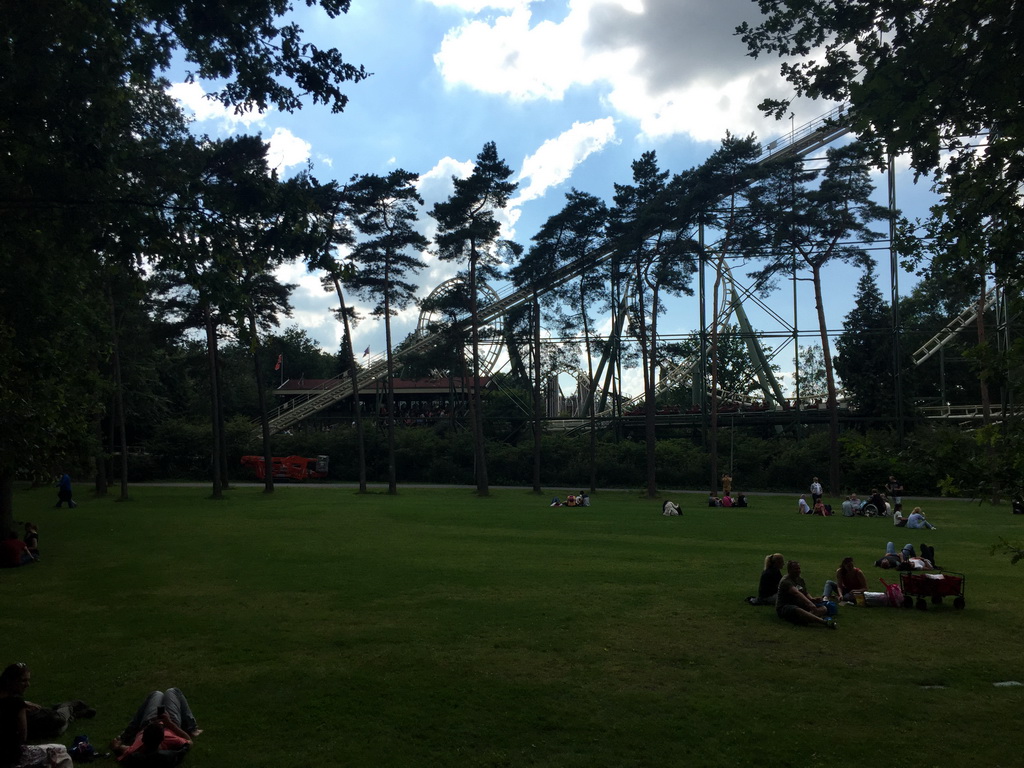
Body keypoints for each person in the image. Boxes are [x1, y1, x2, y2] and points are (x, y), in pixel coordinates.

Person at [0, 663, 80, 768]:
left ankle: (72, 711)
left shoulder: (15, 701)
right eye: (23, 681)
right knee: (60, 748)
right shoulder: (16, 704)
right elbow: (23, 737)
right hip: (11, 758)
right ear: (11, 681)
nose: (28, 684)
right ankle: (70, 707)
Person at [111, 689, 199, 766]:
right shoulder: (170, 739)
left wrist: (116, 747)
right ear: (162, 738)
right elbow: (189, 742)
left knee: (157, 694)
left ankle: (128, 732)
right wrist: (169, 723)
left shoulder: (136, 749)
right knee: (173, 691)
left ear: (142, 738)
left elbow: (120, 748)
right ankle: (192, 727)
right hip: (170, 722)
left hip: (150, 720)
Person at [775, 561, 837, 629]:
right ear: (789, 570)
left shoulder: (800, 579)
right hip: (785, 606)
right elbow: (796, 593)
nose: (798, 571)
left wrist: (812, 599)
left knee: (824, 608)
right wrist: (810, 603)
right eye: (795, 569)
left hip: (799, 604)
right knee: (797, 609)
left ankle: (804, 619)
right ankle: (824, 622)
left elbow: (804, 592)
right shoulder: (785, 581)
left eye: (799, 568)